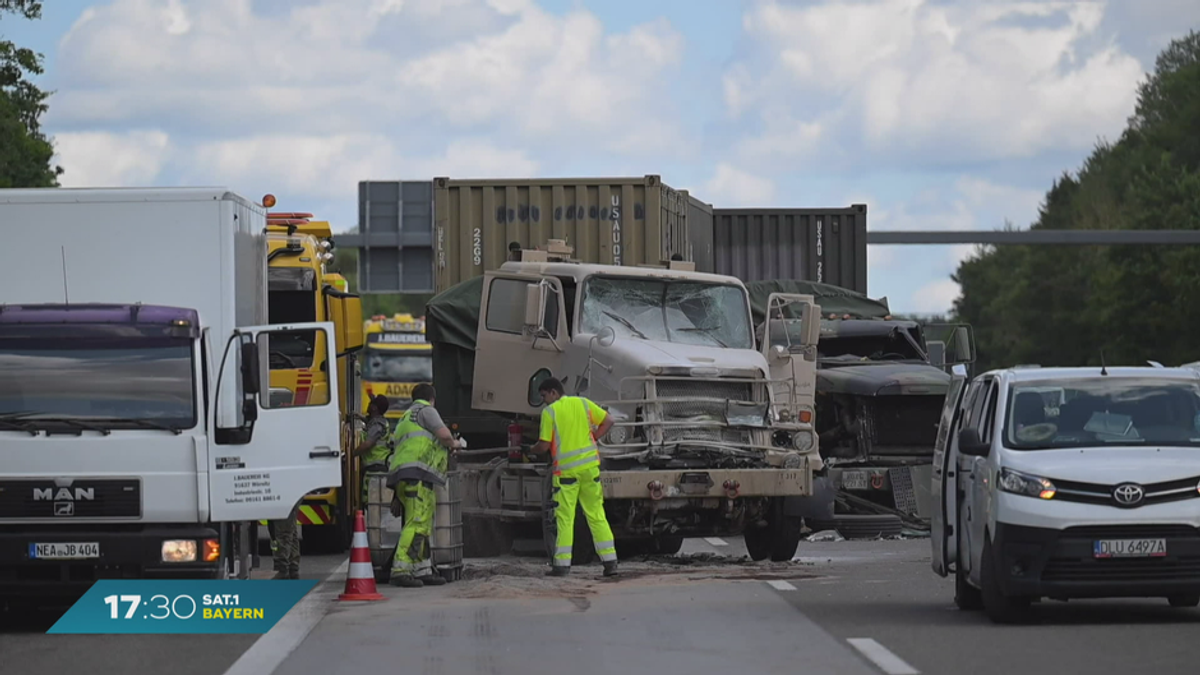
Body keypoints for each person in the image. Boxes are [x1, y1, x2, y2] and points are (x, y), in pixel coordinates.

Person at [531, 377, 619, 577]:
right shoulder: (583, 403)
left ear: (553, 392)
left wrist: (531, 449)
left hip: (566, 474)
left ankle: (561, 566)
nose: (544, 400)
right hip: (590, 469)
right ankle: (610, 562)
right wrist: (593, 438)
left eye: (544, 395)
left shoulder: (550, 412)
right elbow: (609, 420)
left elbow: (544, 445)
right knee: (596, 515)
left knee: (565, 519)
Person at [386, 383, 466, 588]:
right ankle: (401, 570)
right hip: (417, 476)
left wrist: (396, 494)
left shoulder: (405, 417)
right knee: (416, 522)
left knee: (422, 524)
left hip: (407, 476)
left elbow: (404, 451)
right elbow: (445, 435)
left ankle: (422, 569)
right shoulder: (426, 411)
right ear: (432, 398)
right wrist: (457, 444)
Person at [352, 394, 393, 506]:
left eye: (371, 404)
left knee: (372, 503)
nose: (368, 405)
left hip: (375, 472)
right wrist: (360, 417)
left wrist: (352, 454)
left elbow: (368, 444)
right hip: (377, 470)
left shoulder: (377, 425)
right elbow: (370, 422)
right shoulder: (379, 422)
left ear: (374, 408)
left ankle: (371, 523)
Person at [267, 500, 301, 580]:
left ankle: (282, 569)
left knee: (283, 533)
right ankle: (292, 568)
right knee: (290, 531)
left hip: (283, 496)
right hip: (289, 494)